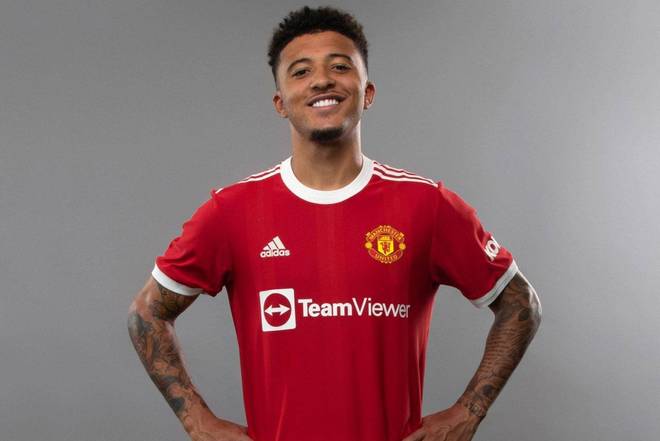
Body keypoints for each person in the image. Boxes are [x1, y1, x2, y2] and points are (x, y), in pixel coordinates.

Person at [127, 6, 542, 441]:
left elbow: (520, 304)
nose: (322, 80)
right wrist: (197, 421)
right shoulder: (232, 211)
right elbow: (146, 314)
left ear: (368, 92)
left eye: (340, 66)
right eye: (301, 71)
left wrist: (469, 411)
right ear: (280, 103)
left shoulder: (427, 205)